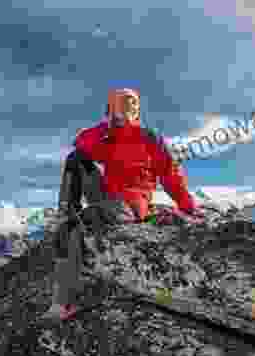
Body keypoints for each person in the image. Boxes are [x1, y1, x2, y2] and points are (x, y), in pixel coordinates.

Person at [43, 87, 205, 321]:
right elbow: (79, 142)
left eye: (126, 107)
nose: (121, 113)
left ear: (135, 110)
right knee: (76, 159)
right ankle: (66, 211)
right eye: (116, 108)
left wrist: (188, 206)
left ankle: (64, 303)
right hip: (107, 196)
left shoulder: (149, 137)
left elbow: (170, 175)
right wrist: (107, 129)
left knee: (80, 224)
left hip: (132, 203)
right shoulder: (109, 137)